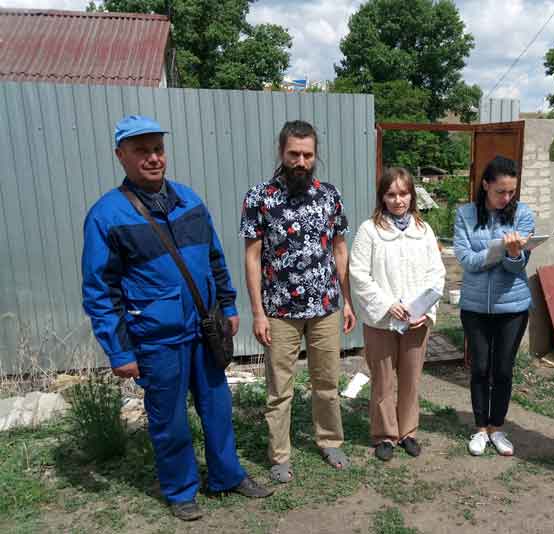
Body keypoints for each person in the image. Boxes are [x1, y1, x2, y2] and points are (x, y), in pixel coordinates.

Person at [82, 115, 271, 522]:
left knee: (218, 407)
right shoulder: (107, 215)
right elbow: (100, 290)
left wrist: (229, 305)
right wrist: (118, 350)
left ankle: (227, 475)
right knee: (169, 420)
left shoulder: (189, 200)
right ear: (121, 156)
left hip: (205, 328)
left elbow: (215, 258)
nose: (153, 158)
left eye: (157, 149)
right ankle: (180, 489)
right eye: (141, 150)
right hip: (156, 338)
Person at [239, 120, 356, 484]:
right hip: (279, 311)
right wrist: (258, 312)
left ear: (315, 155)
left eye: (307, 155)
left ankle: (330, 440)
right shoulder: (260, 197)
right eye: (294, 154)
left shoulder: (329, 196)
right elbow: (253, 257)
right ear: (282, 152)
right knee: (279, 389)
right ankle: (279, 455)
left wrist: (347, 301)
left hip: (324, 307)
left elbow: (339, 249)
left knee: (327, 382)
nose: (301, 162)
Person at [349, 167, 446, 461]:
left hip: (416, 321)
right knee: (383, 379)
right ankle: (384, 435)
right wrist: (387, 304)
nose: (398, 200)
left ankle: (408, 432)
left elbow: (436, 273)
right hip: (382, 320)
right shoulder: (370, 230)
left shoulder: (423, 230)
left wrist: (424, 310)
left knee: (411, 378)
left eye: (403, 193)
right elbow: (358, 274)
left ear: (412, 195)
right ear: (382, 197)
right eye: (391, 194)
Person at [453, 155, 535, 457]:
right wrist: (500, 253)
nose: (506, 198)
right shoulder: (465, 214)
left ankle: (497, 428)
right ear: (486, 184)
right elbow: (465, 260)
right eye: (500, 191)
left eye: (511, 192)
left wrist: (513, 256)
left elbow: (517, 268)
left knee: (502, 370)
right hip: (474, 307)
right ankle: (479, 429)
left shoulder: (523, 215)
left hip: (512, 307)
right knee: (480, 368)